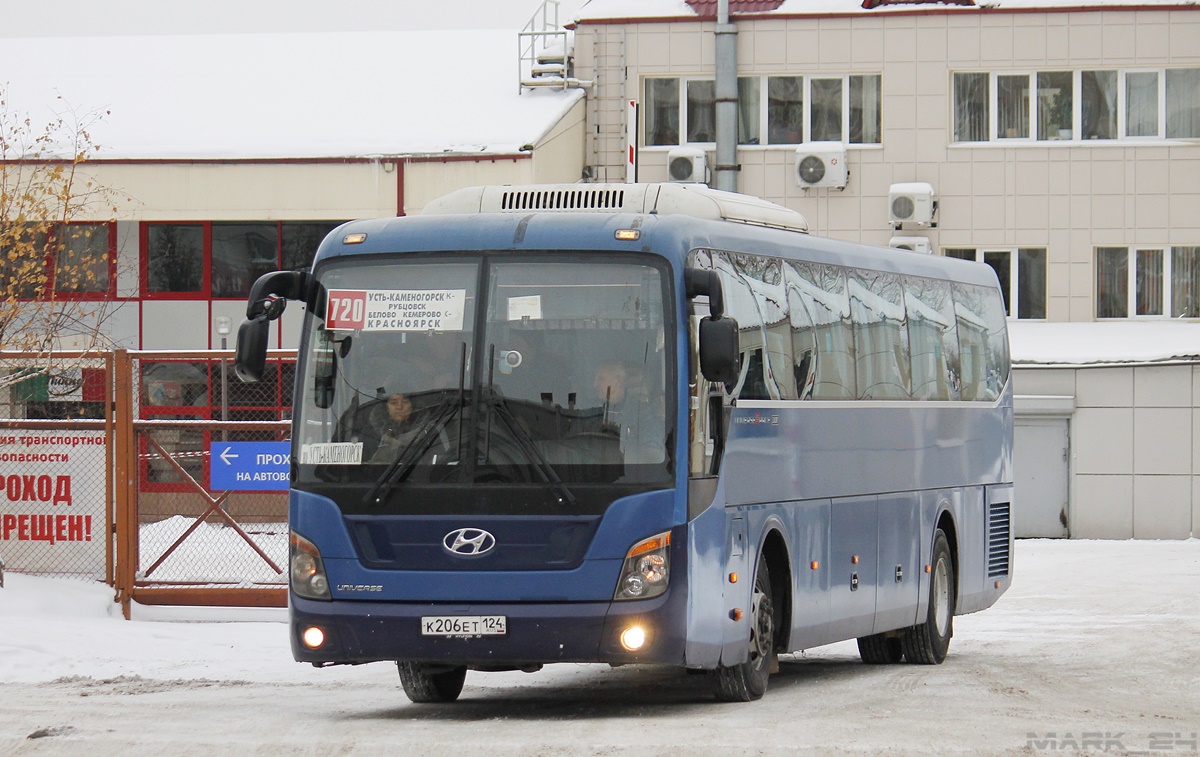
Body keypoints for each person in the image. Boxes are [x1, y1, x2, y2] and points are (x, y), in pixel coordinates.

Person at [592, 361, 665, 466]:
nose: (594, 384)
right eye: (595, 379)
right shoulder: (592, 409)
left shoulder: (644, 412)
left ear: (619, 382)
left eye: (601, 379)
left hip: (630, 476)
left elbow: (653, 454)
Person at [365, 392, 425, 463]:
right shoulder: (369, 433)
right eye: (393, 403)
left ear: (412, 405)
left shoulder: (427, 431)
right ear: (386, 407)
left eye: (405, 402)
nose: (399, 407)